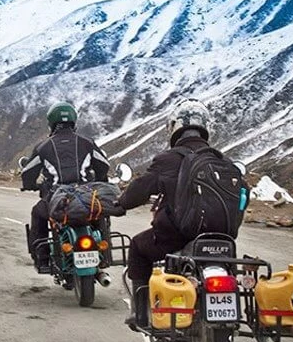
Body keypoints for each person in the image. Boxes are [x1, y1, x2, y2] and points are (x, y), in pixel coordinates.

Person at [117, 99, 216, 328]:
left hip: (176, 238)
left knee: (138, 246)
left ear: (174, 128)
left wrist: (122, 203)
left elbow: (140, 190)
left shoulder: (168, 160)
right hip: (220, 240)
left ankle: (141, 314)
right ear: (205, 127)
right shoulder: (220, 160)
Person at [20, 102, 110, 271]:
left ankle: (42, 259)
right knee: (99, 212)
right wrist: (101, 180)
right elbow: (103, 165)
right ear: (74, 122)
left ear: (51, 123)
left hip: (57, 198)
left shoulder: (43, 147)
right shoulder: (87, 143)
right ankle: (105, 255)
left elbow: (28, 172)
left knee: (38, 213)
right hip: (85, 195)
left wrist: (30, 185)